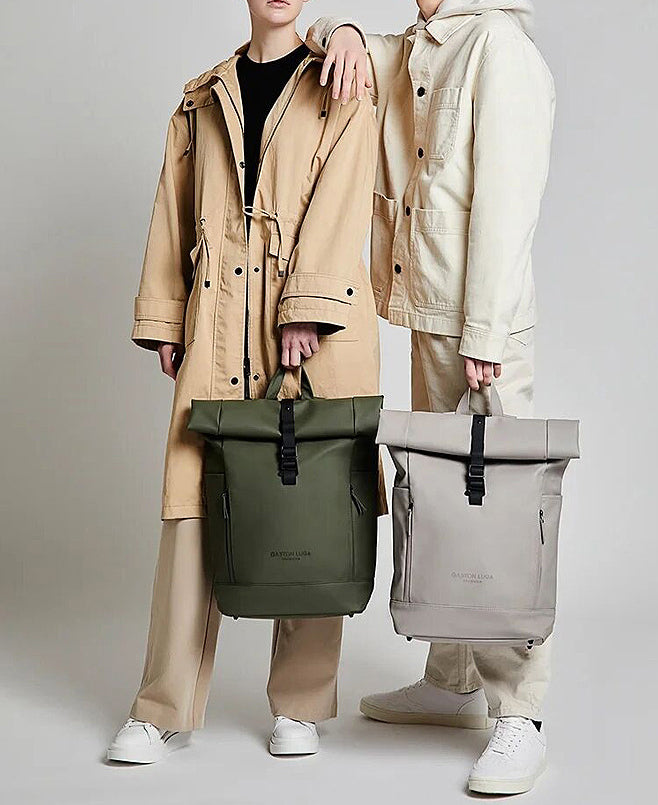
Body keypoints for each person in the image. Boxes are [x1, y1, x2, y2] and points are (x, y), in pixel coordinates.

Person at [106, 0, 381, 763]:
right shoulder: (199, 101)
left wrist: (308, 306)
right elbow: (172, 212)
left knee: (313, 505)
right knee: (193, 499)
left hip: (312, 328)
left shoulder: (341, 80)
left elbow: (345, 199)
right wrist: (167, 317)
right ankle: (162, 705)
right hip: (219, 318)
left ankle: (300, 703)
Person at [307, 0, 555, 795]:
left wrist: (485, 328)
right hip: (433, 315)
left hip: (480, 329)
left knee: (500, 518)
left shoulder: (498, 46)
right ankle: (452, 681)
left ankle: (521, 714)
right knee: (444, 507)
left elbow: (509, 200)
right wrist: (343, 32)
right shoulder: (428, 43)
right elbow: (339, 41)